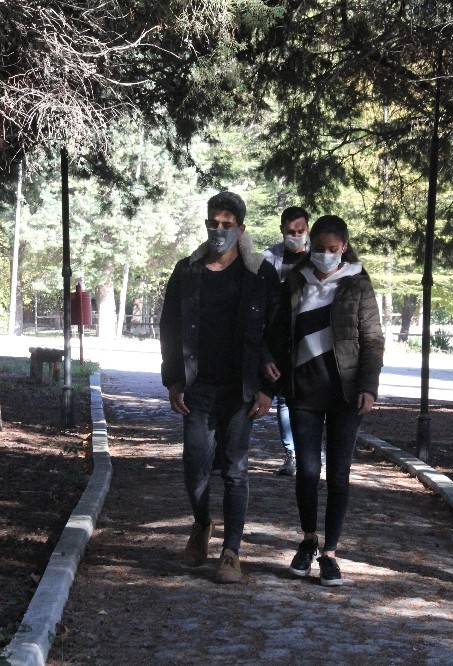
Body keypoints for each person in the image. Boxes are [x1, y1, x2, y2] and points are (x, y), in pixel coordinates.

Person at [159, 191, 278, 584]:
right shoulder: (187, 271)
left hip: (241, 390)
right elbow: (169, 328)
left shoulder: (260, 273)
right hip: (198, 387)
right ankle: (201, 522)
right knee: (195, 466)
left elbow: (276, 331)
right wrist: (173, 379)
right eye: (214, 223)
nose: (219, 230)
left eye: (227, 225)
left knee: (235, 470)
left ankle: (231, 552)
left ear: (241, 229)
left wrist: (267, 389)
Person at [264, 215, 384, 586]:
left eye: (333, 249)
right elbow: (275, 330)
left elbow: (373, 339)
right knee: (307, 472)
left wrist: (368, 387)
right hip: (303, 391)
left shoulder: (358, 283)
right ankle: (308, 540)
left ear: (344, 247)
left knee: (338, 475)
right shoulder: (295, 280)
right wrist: (269, 359)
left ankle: (330, 553)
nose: (326, 255)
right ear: (310, 246)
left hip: (346, 394)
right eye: (319, 248)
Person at [262, 206, 310, 476]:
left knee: (310, 397)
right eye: (291, 231)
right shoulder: (268, 259)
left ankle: (309, 450)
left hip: (309, 338)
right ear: (282, 230)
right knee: (283, 399)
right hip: (279, 338)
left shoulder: (318, 255)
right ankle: (291, 453)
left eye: (300, 231)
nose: (296, 236)